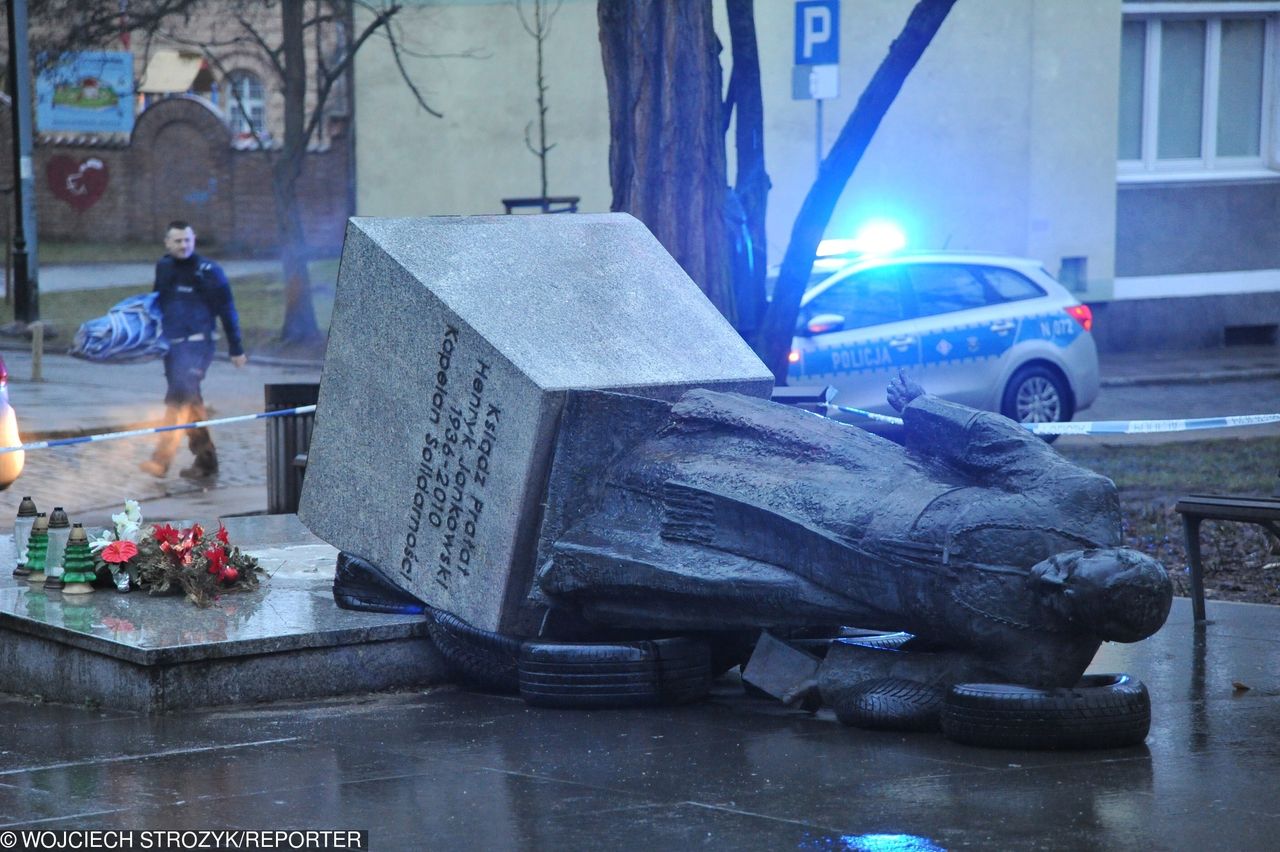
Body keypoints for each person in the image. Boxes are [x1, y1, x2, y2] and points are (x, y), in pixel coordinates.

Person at [537, 371, 1172, 689]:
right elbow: (1002, 446)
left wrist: (825, 675)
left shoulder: (1040, 660)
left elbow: (928, 678)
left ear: (1088, 625)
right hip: (872, 487)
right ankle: (610, 452)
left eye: (1063, 598)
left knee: (702, 560)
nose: (1049, 575)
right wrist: (924, 410)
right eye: (1070, 568)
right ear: (1105, 552)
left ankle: (582, 559)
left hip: (848, 586)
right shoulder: (1081, 501)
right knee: (726, 469)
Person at [139, 221, 248, 480]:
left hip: (199, 345)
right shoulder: (164, 267)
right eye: (177, 241)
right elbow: (157, 303)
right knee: (191, 401)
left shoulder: (209, 271)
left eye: (187, 240)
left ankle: (161, 460)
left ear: (194, 240)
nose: (183, 245)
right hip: (172, 347)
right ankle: (206, 461)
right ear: (167, 243)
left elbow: (227, 309)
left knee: (179, 398)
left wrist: (236, 348)